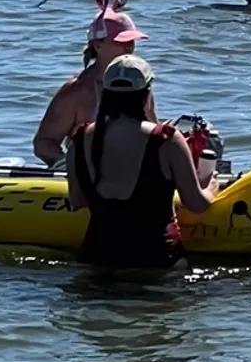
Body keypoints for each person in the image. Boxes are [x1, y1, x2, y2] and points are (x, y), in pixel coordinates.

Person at [65, 54, 212, 268]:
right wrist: (211, 185)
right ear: (147, 93)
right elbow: (197, 204)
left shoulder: (80, 139)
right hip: (155, 261)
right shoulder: (165, 139)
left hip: (98, 258)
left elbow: (77, 200)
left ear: (105, 94)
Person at [33, 0, 145, 166]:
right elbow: (43, 144)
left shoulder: (139, 83)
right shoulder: (77, 90)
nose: (130, 46)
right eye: (122, 41)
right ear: (98, 44)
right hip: (90, 177)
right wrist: (71, 167)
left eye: (132, 40)